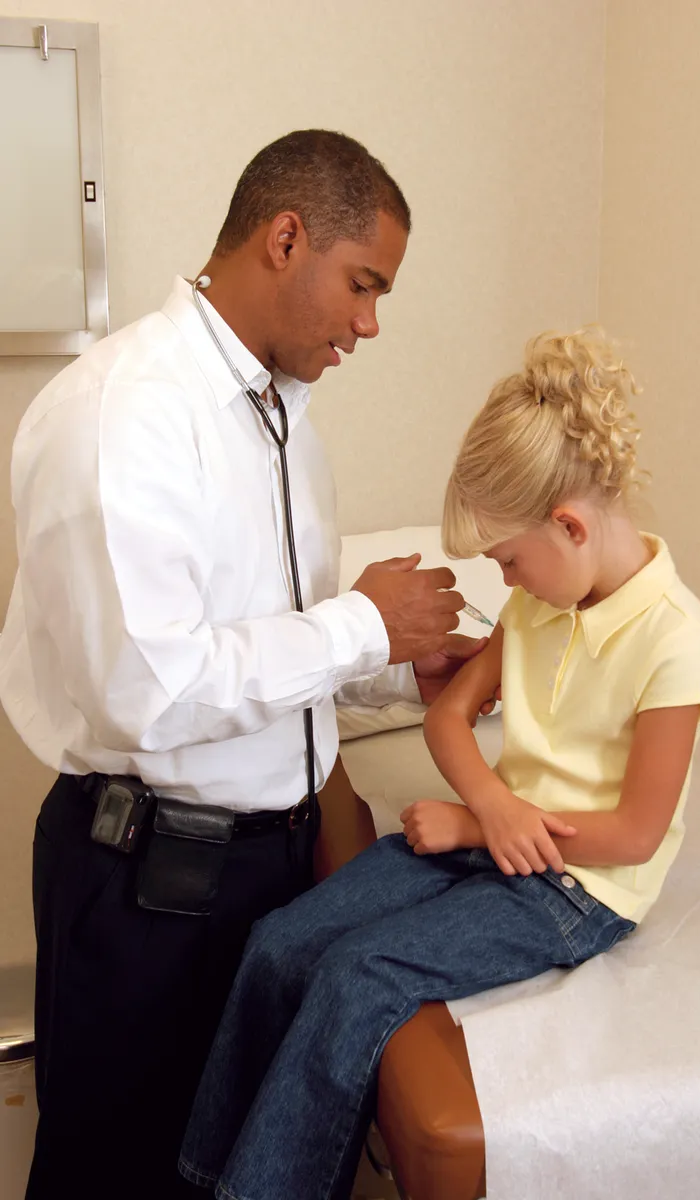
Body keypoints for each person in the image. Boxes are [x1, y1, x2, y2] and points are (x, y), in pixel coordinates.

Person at [0, 129, 487, 1200]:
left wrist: (399, 667)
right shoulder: (123, 414)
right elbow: (153, 689)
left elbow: (262, 647)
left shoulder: (279, 418)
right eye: (363, 286)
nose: (370, 323)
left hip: (268, 873)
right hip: (149, 893)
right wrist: (364, 624)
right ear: (283, 237)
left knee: (223, 1169)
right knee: (115, 1175)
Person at [177, 326, 700, 1200]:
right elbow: (447, 717)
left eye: (509, 559)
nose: (507, 582)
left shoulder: (676, 642)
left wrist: (480, 820)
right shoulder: (548, 600)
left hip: (578, 889)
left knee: (358, 979)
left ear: (570, 525)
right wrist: (486, 807)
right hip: (500, 835)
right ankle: (204, 1176)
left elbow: (633, 834)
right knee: (282, 942)